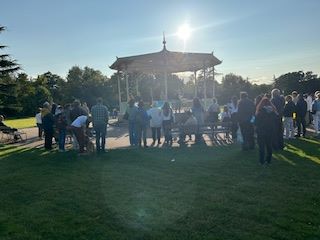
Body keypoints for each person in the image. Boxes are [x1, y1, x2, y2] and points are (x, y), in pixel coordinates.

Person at [255, 97, 278, 165]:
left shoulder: (260, 111)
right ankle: (268, 160)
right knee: (269, 146)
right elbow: (276, 121)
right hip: (270, 130)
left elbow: (256, 122)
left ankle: (261, 161)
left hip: (261, 130)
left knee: (261, 147)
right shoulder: (274, 112)